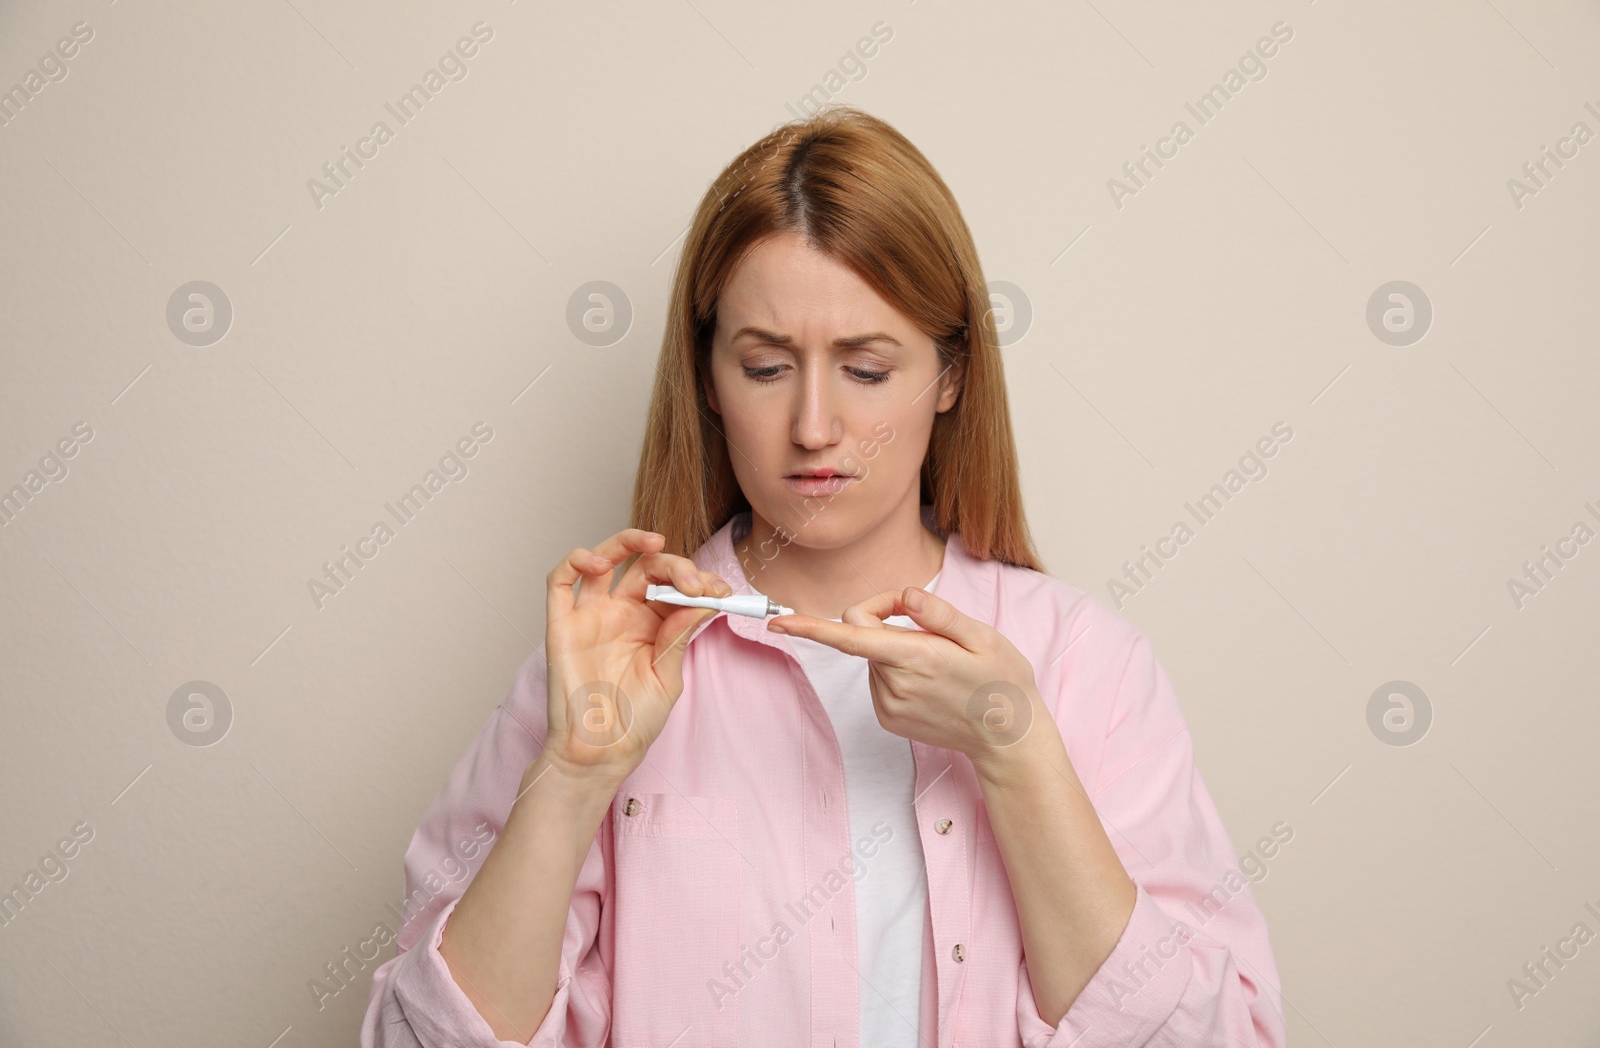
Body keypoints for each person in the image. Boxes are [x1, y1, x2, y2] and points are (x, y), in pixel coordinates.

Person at [361, 106, 1286, 1047]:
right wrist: (570, 777)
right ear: (709, 380)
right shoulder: (604, 666)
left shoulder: (1090, 666)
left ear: (953, 374)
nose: (814, 425)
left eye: (867, 369)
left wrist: (1018, 759)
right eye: (765, 367)